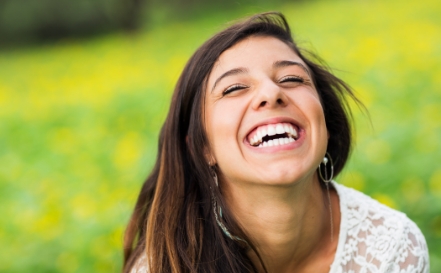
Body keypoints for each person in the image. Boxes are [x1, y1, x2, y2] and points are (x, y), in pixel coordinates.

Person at [123, 12, 429, 273]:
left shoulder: (392, 247)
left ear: (324, 119)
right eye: (234, 88)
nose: (271, 93)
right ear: (203, 148)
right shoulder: (165, 265)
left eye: (292, 79)